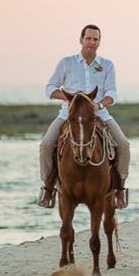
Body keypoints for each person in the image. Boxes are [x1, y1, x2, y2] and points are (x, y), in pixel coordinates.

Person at [37, 24, 130, 209]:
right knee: (46, 144)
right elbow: (50, 88)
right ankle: (48, 189)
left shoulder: (107, 65)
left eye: (95, 39)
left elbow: (112, 93)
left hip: (99, 114)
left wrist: (98, 104)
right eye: (88, 38)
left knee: (123, 145)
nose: (92, 42)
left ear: (99, 42)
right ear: (81, 40)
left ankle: (120, 189)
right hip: (68, 115)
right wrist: (71, 99)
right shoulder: (66, 63)